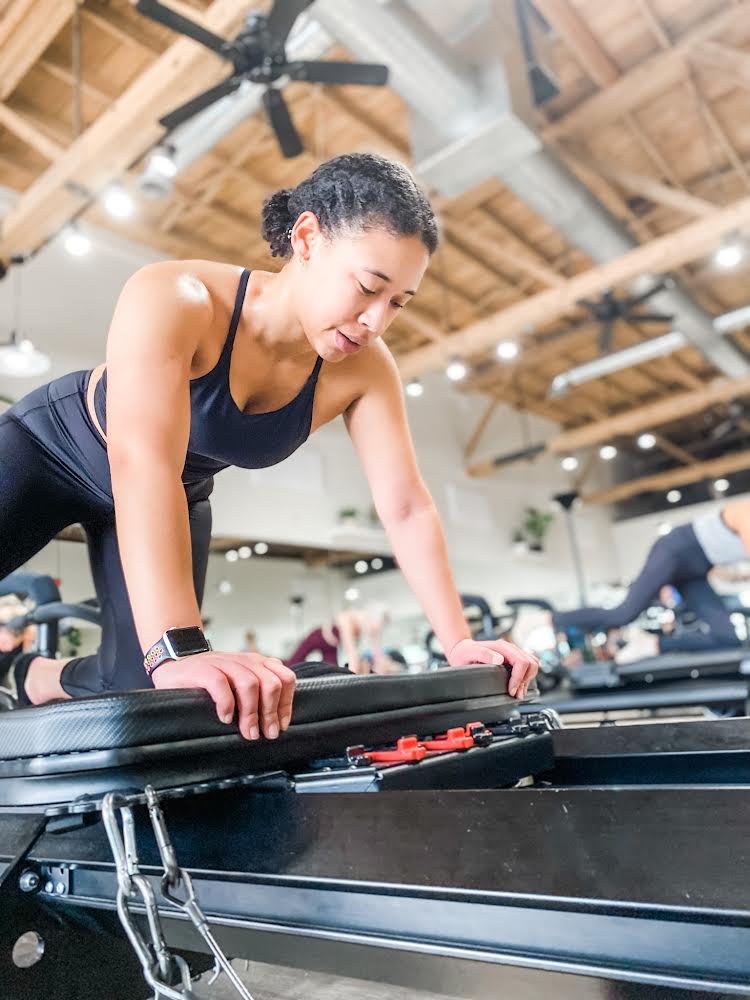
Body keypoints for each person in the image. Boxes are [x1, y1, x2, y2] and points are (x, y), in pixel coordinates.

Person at [0, 152, 538, 739]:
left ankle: (26, 673)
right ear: (307, 238)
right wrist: (180, 645)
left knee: (144, 696)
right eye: (367, 287)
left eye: (398, 304)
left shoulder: (365, 370)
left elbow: (406, 506)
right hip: (55, 450)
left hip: (177, 492)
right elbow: (142, 459)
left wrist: (459, 640)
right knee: (171, 658)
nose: (377, 321)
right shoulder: (176, 295)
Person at [552, 501, 749, 663]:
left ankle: (651, 644)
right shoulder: (745, 510)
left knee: (727, 637)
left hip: (697, 569)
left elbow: (718, 557)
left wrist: (738, 576)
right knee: (623, 614)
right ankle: (547, 618)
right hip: (675, 550)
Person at [287, 604, 390, 674]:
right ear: (372, 618)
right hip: (318, 638)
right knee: (294, 662)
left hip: (331, 647)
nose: (376, 630)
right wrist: (353, 676)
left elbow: (377, 653)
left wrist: (381, 671)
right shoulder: (347, 618)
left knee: (332, 672)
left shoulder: (370, 626)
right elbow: (351, 652)